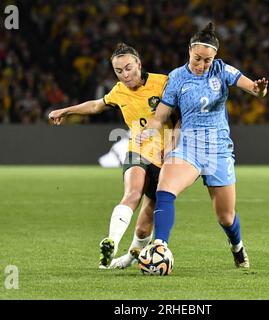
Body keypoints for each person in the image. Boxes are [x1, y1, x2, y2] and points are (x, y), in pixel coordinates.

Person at [137, 23, 269, 268]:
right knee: (164, 188)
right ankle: (159, 246)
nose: (202, 64)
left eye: (207, 60)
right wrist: (148, 132)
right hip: (189, 147)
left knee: (226, 217)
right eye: (198, 58)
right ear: (189, 51)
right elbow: (160, 116)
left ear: (215, 58)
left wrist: (259, 90)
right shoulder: (177, 77)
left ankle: (237, 247)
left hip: (218, 149)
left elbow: (253, 88)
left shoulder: (222, 70)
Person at [49, 43, 178, 269]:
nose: (125, 75)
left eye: (128, 68)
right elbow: (96, 106)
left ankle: (129, 257)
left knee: (142, 228)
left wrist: (173, 143)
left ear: (138, 63)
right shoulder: (119, 91)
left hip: (165, 157)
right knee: (132, 194)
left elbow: (181, 116)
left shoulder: (163, 82)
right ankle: (112, 242)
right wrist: (66, 110)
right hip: (137, 150)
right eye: (119, 71)